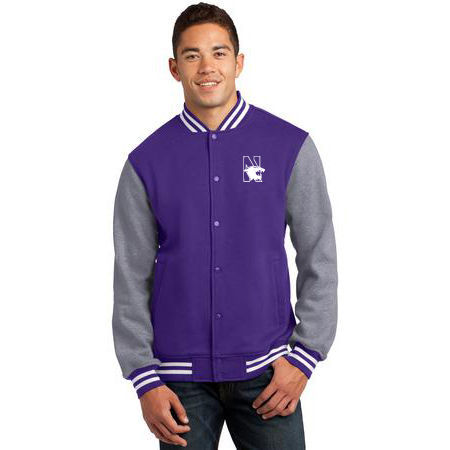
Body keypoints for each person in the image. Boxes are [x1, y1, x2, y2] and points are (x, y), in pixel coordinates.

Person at [112, 3, 338, 449]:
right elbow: (130, 277)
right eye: (192, 55)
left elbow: (320, 257)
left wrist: (305, 356)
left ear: (239, 62)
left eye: (219, 53)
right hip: (178, 383)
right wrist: (143, 378)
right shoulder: (145, 162)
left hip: (269, 374)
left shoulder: (290, 146)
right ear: (174, 68)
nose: (207, 67)